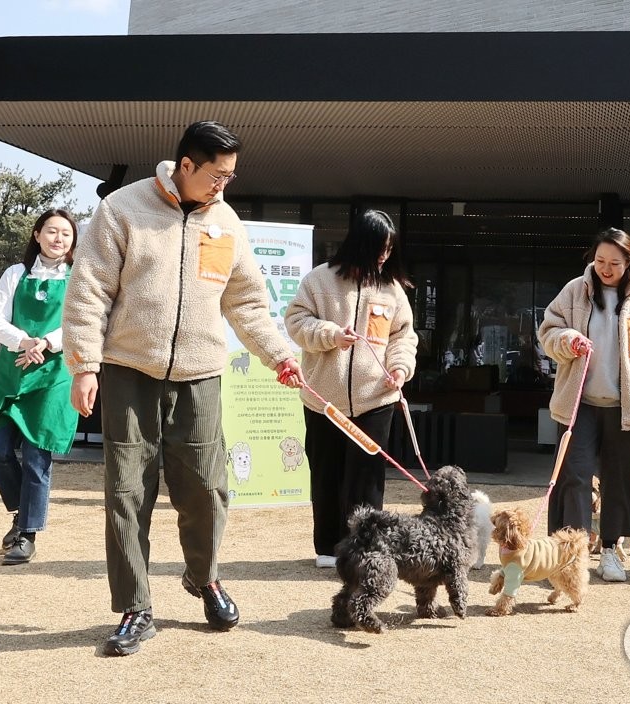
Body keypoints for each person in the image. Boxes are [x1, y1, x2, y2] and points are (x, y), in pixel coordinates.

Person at [62, 121, 304, 656]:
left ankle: (204, 577)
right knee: (127, 492)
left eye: (231, 176)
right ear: (186, 165)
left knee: (207, 489)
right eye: (217, 175)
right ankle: (135, 606)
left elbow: (245, 303)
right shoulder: (123, 209)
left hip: (200, 374)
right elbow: (88, 292)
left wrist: (281, 356)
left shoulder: (227, 223)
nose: (224, 185)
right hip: (128, 371)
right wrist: (84, 365)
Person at [538, 227, 630, 583]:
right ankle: (571, 555)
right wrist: (568, 339)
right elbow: (548, 332)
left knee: (617, 481)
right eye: (600, 260)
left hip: (625, 406)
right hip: (579, 403)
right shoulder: (574, 290)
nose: (605, 268)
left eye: (614, 263)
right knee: (576, 476)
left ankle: (609, 552)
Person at [284, 209, 418, 569]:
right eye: (379, 248)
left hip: (376, 400)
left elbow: (403, 336)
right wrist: (330, 335)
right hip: (323, 401)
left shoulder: (392, 290)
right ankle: (328, 549)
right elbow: (296, 321)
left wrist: (400, 368)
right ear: (359, 244)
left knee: (367, 479)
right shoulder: (319, 280)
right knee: (326, 474)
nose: (384, 257)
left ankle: (365, 550)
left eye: (389, 249)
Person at [0, 209, 80, 566]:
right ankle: (22, 508)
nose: (58, 238)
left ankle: (27, 533)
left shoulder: (78, 278)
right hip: (13, 372)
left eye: (66, 233)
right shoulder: (15, 274)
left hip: (53, 376)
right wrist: (25, 342)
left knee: (37, 456)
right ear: (36, 235)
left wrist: (46, 344)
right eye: (51, 231)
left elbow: (83, 321)